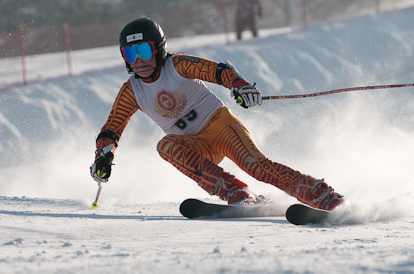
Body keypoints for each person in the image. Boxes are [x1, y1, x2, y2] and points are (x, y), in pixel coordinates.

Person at [90, 18, 344, 210]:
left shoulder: (177, 65)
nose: (138, 60)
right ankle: (236, 193)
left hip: (221, 127)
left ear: (158, 49)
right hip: (195, 145)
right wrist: (103, 157)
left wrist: (240, 86)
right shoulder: (132, 90)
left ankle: (322, 195)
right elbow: (112, 128)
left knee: (258, 167)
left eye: (144, 51)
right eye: (130, 54)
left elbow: (218, 71)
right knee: (165, 145)